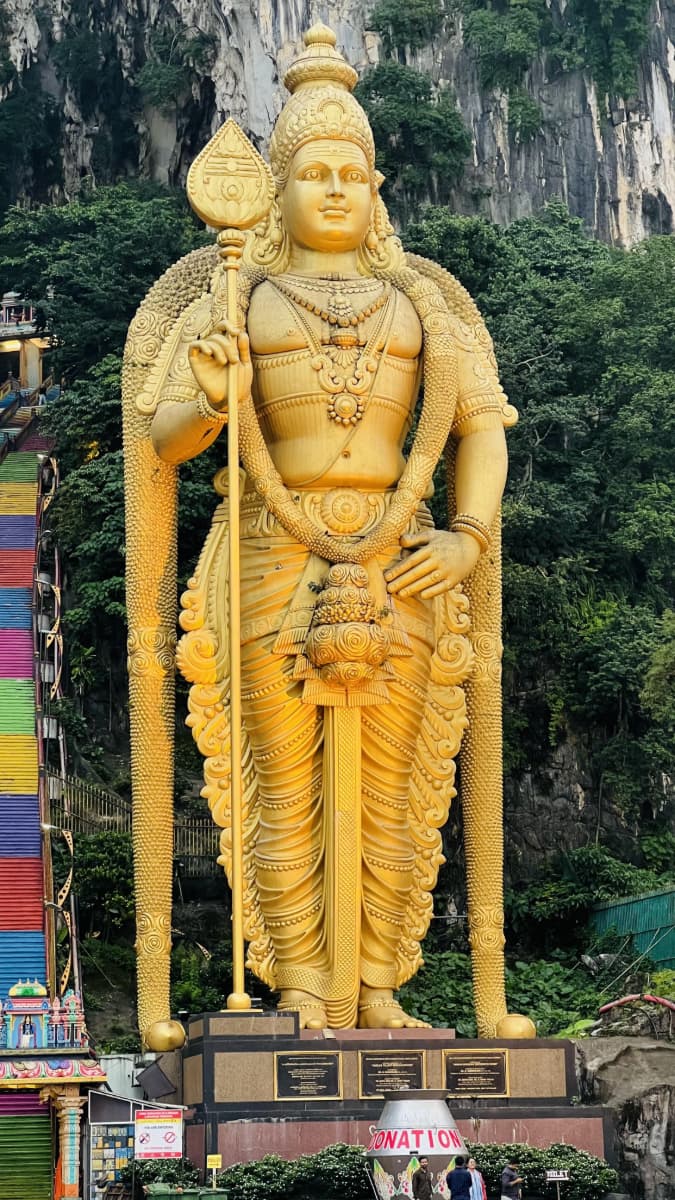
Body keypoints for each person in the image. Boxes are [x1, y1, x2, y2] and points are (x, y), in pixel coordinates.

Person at [125, 23, 518, 1042]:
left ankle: (380, 981)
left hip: (402, 557)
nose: (336, 188)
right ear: (278, 193)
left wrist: (469, 537)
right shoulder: (238, 297)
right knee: (279, 778)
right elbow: (164, 438)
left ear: (378, 190)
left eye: (354, 172)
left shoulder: (421, 304)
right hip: (268, 552)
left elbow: (483, 428)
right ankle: (301, 981)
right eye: (314, 173)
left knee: (397, 783)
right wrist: (210, 395)